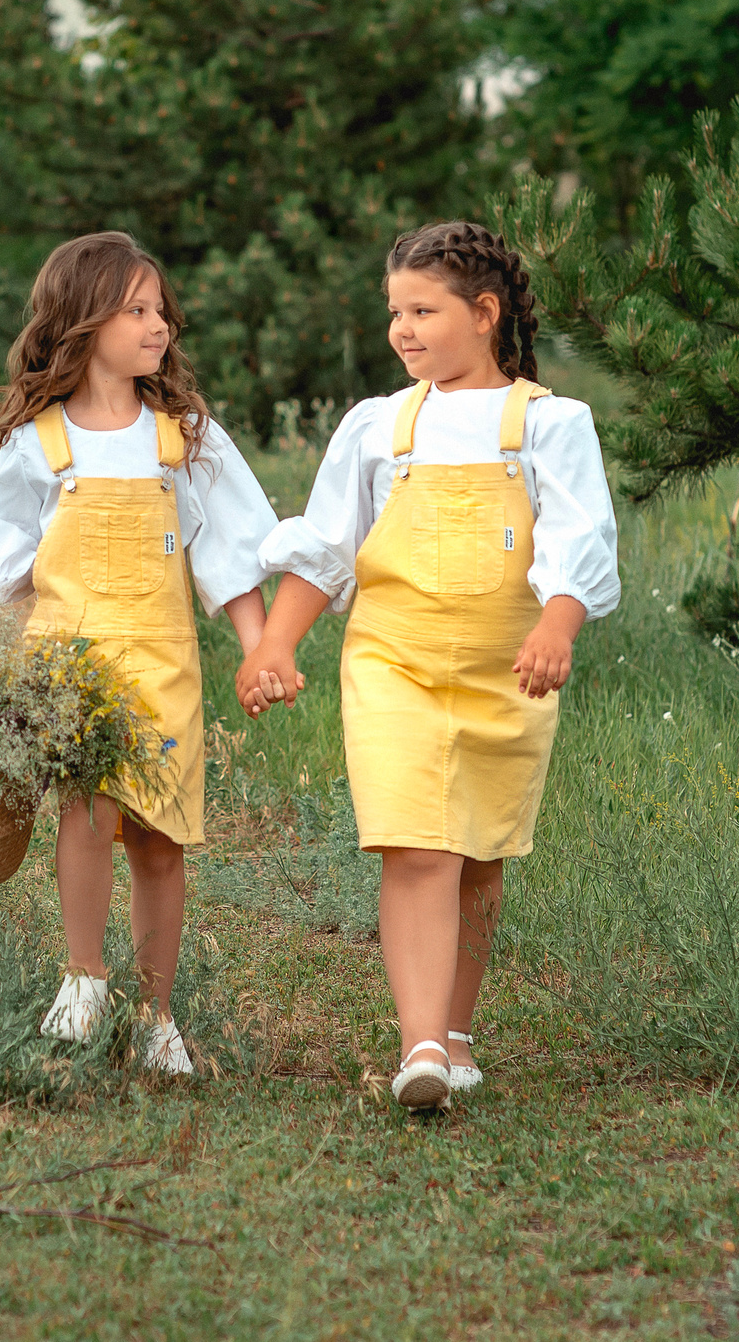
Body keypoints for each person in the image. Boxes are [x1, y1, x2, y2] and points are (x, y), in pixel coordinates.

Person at [237, 221, 620, 1109]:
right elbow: (329, 546)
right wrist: (276, 642)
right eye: (394, 312)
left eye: (422, 311)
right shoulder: (380, 426)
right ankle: (421, 1048)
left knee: (477, 855)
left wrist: (558, 625)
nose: (401, 329)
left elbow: (582, 538)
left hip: (506, 672)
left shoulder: (548, 424)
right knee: (417, 845)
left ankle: (456, 1028)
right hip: (393, 664)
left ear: (484, 313)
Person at [0, 232, 288, 1075]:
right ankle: (84, 977)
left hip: (164, 664)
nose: (158, 325)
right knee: (88, 813)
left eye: (159, 309)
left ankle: (157, 1014)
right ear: (83, 321)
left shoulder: (183, 439)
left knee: (161, 840)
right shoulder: (43, 440)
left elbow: (231, 551)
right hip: (74, 666)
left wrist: (258, 648)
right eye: (135, 310)